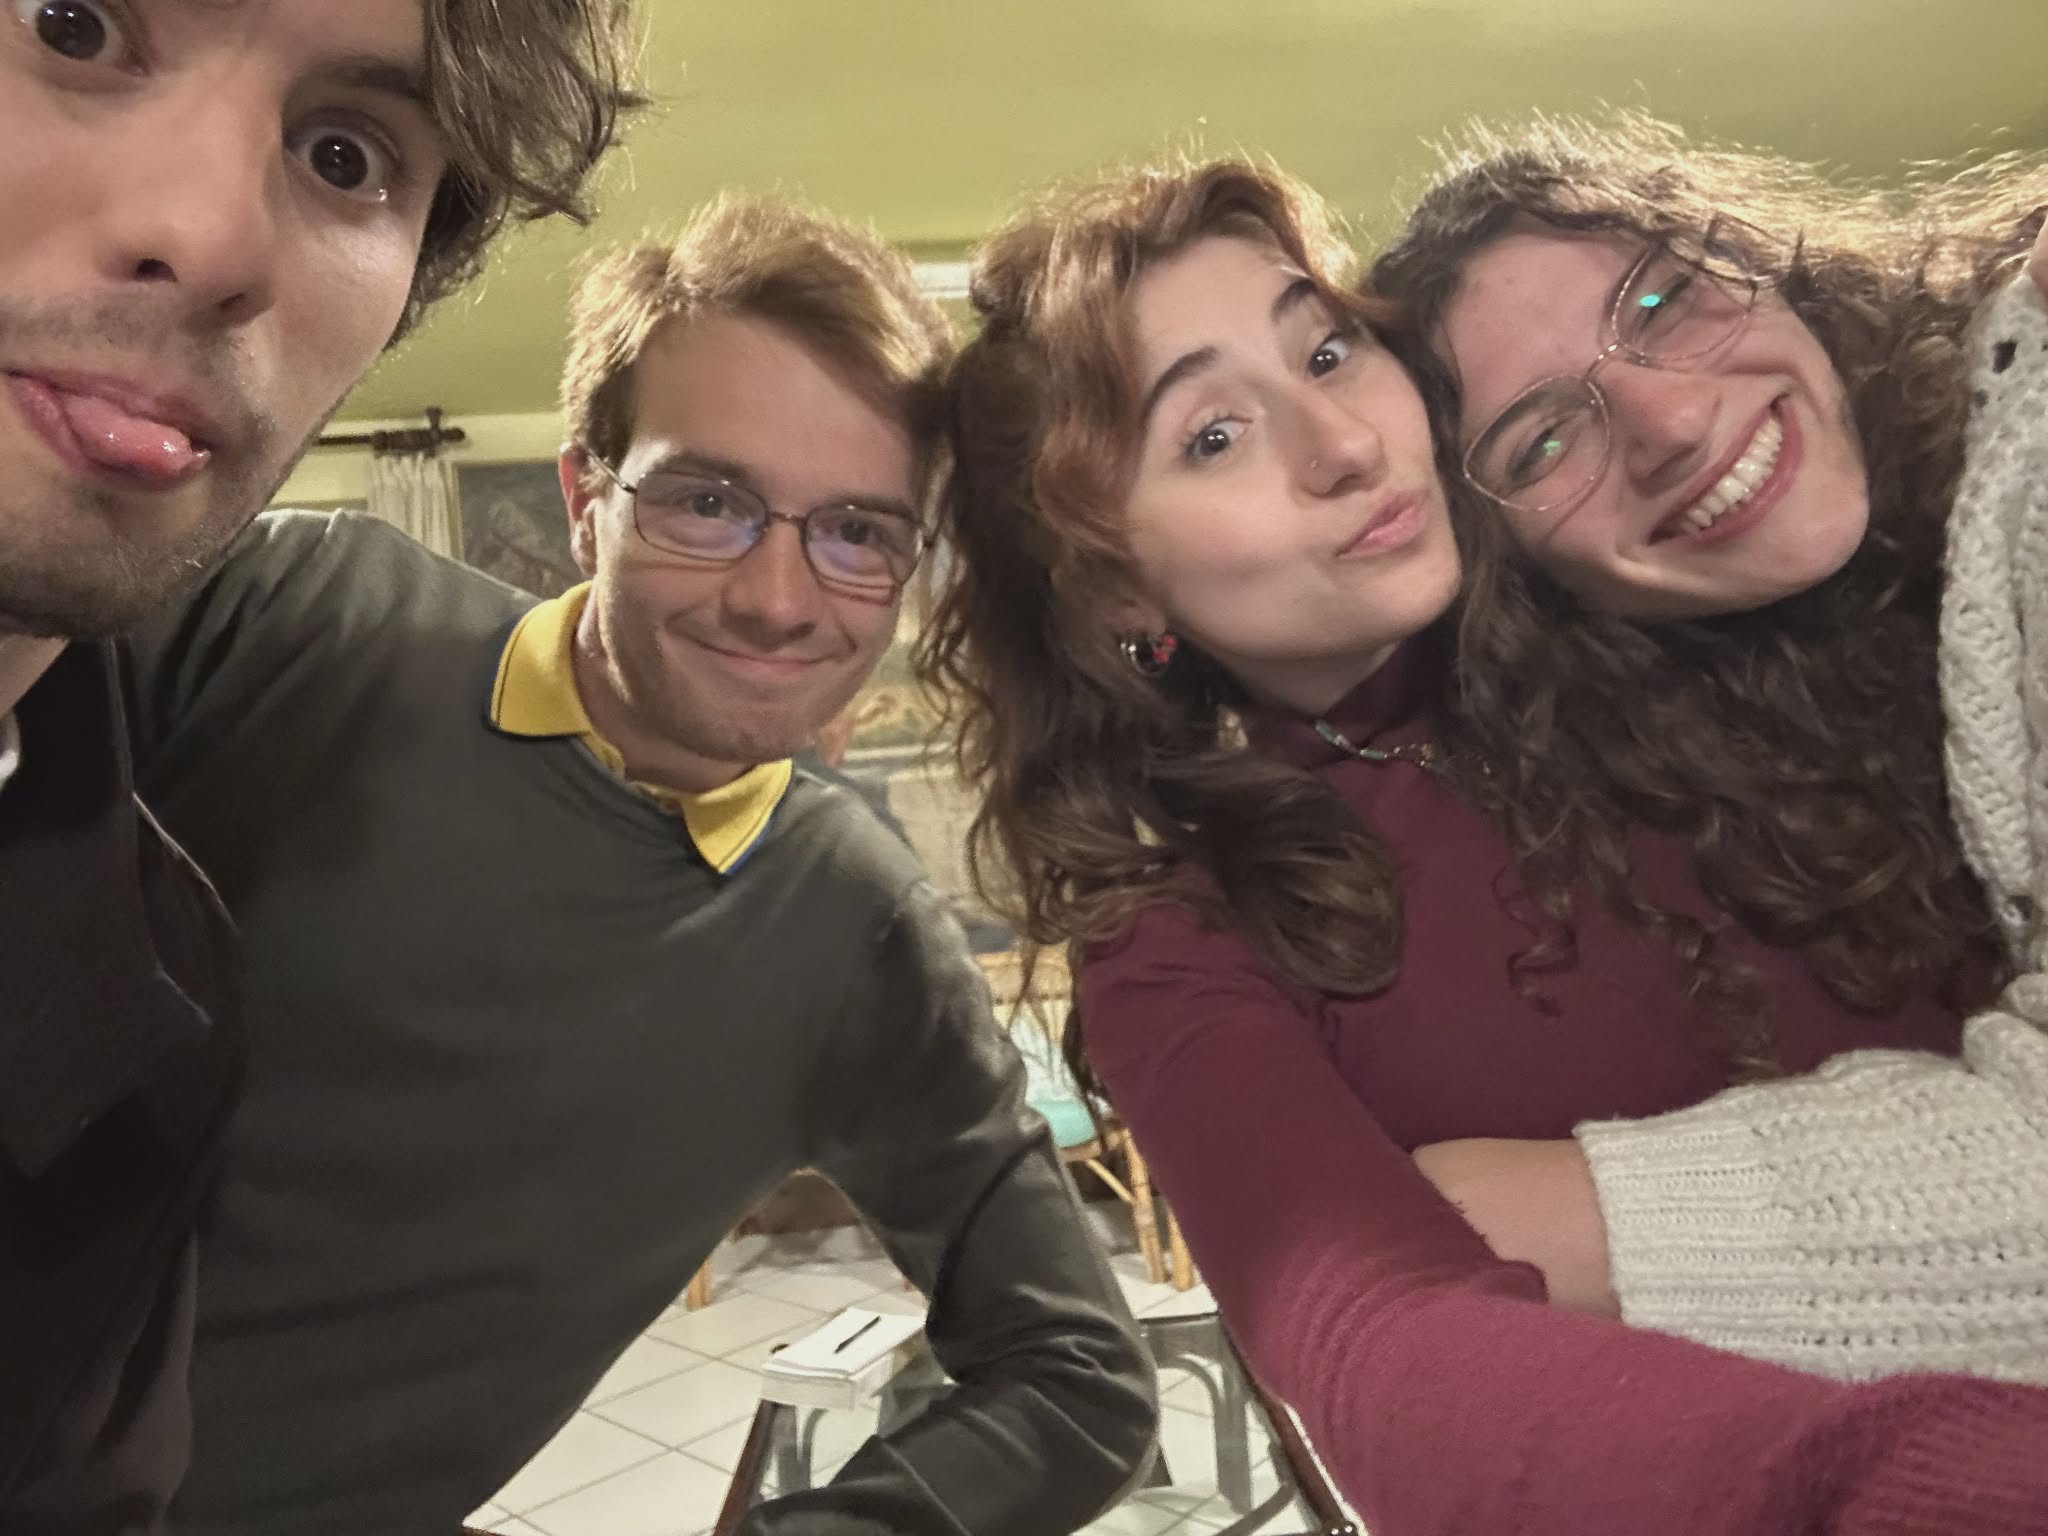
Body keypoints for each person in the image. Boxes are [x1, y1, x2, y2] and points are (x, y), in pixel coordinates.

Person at [925, 153, 2048, 1536]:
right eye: (1213, 436)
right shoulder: (1184, 944)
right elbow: (1381, 1346)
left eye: (1325, 353)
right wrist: (1901, 1489)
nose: (1342, 445)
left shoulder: (1661, 586)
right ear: (1112, 595)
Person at [123, 196, 1154, 1536]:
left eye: (858, 532)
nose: (777, 599)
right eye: (706, 503)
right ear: (582, 501)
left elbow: (1078, 1379)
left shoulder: (852, 928)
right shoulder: (301, 620)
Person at [0, 1, 638, 1530]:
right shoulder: (332, 628)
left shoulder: (147, 1016)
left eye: (346, 155)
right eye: (75, 24)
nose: (215, 235)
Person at [1368, 113, 2048, 1383]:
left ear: (1760, 262)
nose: (1670, 418)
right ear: (1527, 580)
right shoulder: (1806, 685)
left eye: (1662, 301)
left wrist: (1537, 1225)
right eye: (1544, 440)